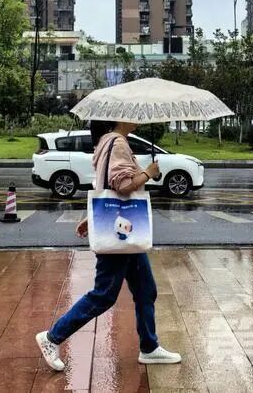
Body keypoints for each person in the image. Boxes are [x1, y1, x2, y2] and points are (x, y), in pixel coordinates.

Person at [36, 120, 181, 372]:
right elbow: (122, 187)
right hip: (121, 234)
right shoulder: (118, 143)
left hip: (126, 231)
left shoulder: (107, 141)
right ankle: (52, 337)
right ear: (119, 119)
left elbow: (103, 187)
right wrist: (149, 173)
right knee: (103, 295)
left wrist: (90, 219)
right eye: (131, 114)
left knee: (146, 290)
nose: (137, 118)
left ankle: (149, 347)